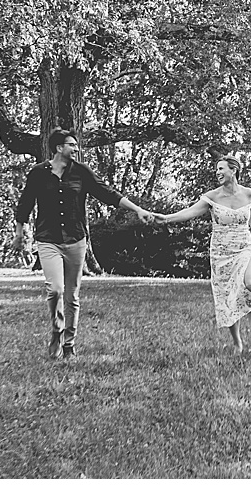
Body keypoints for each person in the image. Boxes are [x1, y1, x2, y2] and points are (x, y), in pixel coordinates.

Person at [14, 129, 155, 360]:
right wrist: (19, 233)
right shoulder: (38, 173)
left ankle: (69, 343)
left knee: (72, 296)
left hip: (76, 240)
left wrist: (137, 209)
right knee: (55, 289)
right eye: (72, 145)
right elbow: (25, 203)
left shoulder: (81, 172)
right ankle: (56, 331)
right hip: (48, 240)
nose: (76, 149)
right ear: (59, 148)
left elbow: (107, 193)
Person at [148, 152, 251, 355]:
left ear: (233, 170)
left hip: (245, 246)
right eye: (216, 169)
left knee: (249, 283)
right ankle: (237, 343)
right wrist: (166, 218)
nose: (217, 172)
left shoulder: (248, 194)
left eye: (221, 168)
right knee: (228, 296)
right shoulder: (212, 197)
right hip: (221, 252)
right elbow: (189, 212)